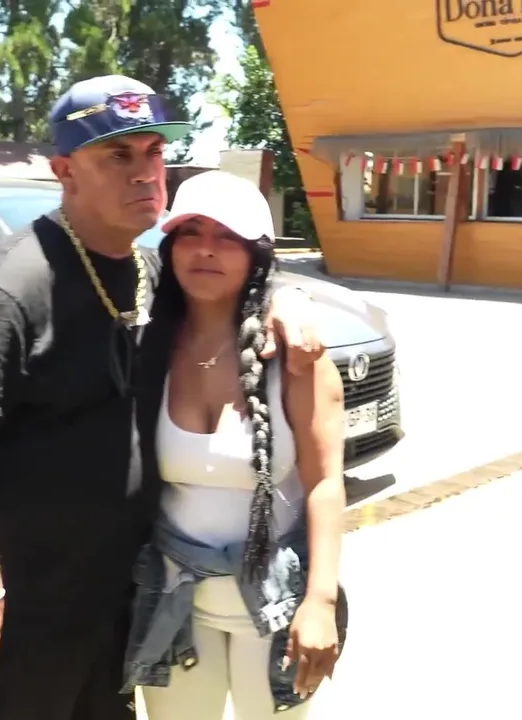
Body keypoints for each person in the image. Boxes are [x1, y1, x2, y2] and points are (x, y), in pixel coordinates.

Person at [0, 75, 325, 720]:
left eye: (153, 152)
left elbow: (231, 278)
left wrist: (285, 297)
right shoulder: (9, 287)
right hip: (32, 606)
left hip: (128, 592)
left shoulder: (148, 272)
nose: (144, 172)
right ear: (64, 171)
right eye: (117, 155)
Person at [121, 171, 348, 720]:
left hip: (276, 606)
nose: (205, 249)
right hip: (174, 605)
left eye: (227, 237)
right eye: (191, 231)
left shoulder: (293, 355)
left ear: (256, 255)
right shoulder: (148, 346)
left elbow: (325, 482)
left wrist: (320, 601)